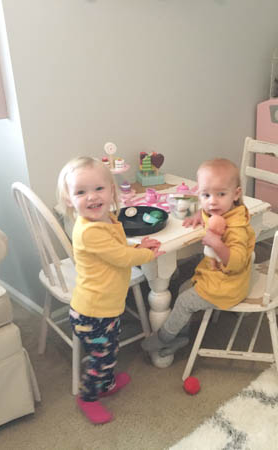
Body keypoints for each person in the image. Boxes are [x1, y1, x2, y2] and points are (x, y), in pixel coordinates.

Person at [57, 156, 163, 424]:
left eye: (98, 189)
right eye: (81, 192)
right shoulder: (89, 231)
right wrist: (147, 254)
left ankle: (106, 383)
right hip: (92, 312)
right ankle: (88, 397)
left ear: (111, 191)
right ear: (69, 199)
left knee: (110, 349)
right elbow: (122, 257)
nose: (92, 197)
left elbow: (119, 247)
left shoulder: (107, 220)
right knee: (101, 357)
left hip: (107, 308)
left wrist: (138, 247)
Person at [141, 158, 255, 357]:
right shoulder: (219, 211)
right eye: (206, 195)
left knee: (184, 301)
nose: (212, 202)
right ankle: (182, 336)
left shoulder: (237, 228)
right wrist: (198, 216)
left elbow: (237, 263)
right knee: (184, 289)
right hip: (213, 276)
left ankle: (164, 337)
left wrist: (217, 244)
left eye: (221, 194)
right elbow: (207, 212)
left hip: (228, 286)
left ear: (236, 194)